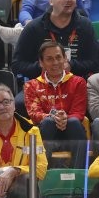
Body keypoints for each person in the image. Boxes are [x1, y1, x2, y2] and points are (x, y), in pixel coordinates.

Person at [11, 0, 99, 80]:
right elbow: (17, 65)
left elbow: (95, 63)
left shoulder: (85, 26)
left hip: (76, 87)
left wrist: (71, 66)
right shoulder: (33, 28)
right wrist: (43, 66)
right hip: (41, 87)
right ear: (51, 1)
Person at [24, 41, 89, 169]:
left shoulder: (78, 82)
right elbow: (34, 113)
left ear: (65, 59)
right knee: (48, 122)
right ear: (41, 63)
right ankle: (42, 174)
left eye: (58, 57)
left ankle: (80, 176)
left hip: (71, 131)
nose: (55, 63)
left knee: (74, 122)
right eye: (49, 59)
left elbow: (79, 112)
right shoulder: (31, 85)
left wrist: (65, 119)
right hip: (46, 131)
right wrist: (53, 117)